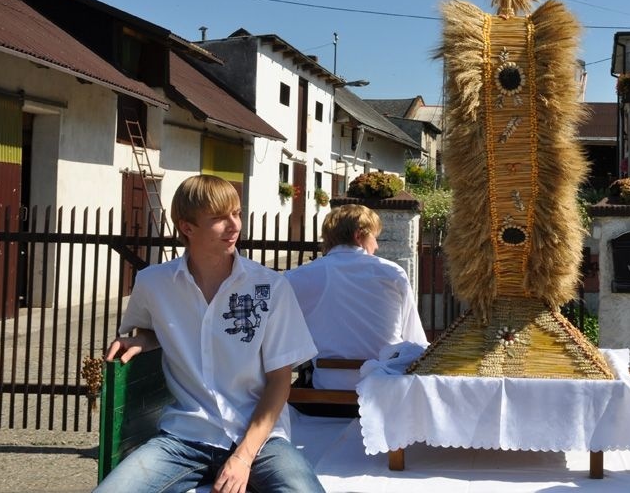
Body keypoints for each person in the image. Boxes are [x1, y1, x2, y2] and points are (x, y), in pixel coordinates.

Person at [95, 175, 322, 493]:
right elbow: (152, 327)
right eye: (219, 218)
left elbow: (280, 381)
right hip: (184, 438)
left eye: (237, 213)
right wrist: (144, 339)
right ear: (187, 227)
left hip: (260, 442)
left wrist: (243, 457)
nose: (234, 226)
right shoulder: (153, 284)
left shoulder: (270, 287)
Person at [285, 204, 428, 414]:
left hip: (326, 393)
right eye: (375, 237)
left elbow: (284, 340)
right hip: (383, 391)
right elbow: (414, 340)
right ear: (359, 235)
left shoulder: (298, 278)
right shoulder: (392, 274)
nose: (377, 246)